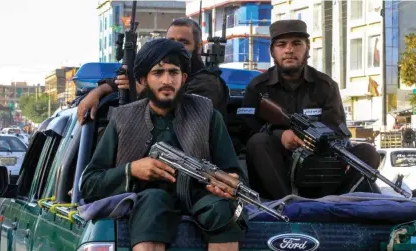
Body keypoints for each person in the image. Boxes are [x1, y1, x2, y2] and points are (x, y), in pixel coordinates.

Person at [79, 38, 247, 251]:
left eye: (174, 72)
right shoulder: (123, 119)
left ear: (184, 78)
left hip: (200, 198)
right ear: (143, 79)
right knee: (153, 201)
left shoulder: (207, 115)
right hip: (146, 204)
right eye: (158, 73)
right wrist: (133, 170)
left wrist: (228, 184)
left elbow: (232, 172)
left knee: (224, 210)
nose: (167, 80)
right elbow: (90, 183)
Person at [239, 20, 381, 200]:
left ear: (307, 49)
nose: (289, 50)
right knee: (257, 142)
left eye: (296, 44)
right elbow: (245, 131)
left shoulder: (325, 85)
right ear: (272, 51)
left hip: (321, 166)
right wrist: (280, 135)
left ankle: (334, 203)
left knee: (368, 153)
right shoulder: (257, 87)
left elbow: (338, 128)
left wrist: (316, 140)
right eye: (281, 45)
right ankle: (290, 206)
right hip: (276, 168)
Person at [77, 18, 229, 124]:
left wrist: (143, 90)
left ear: (199, 47)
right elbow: (127, 80)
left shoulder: (207, 83)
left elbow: (183, 119)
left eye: (183, 42)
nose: (175, 48)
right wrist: (100, 91)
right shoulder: (159, 73)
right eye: (170, 42)